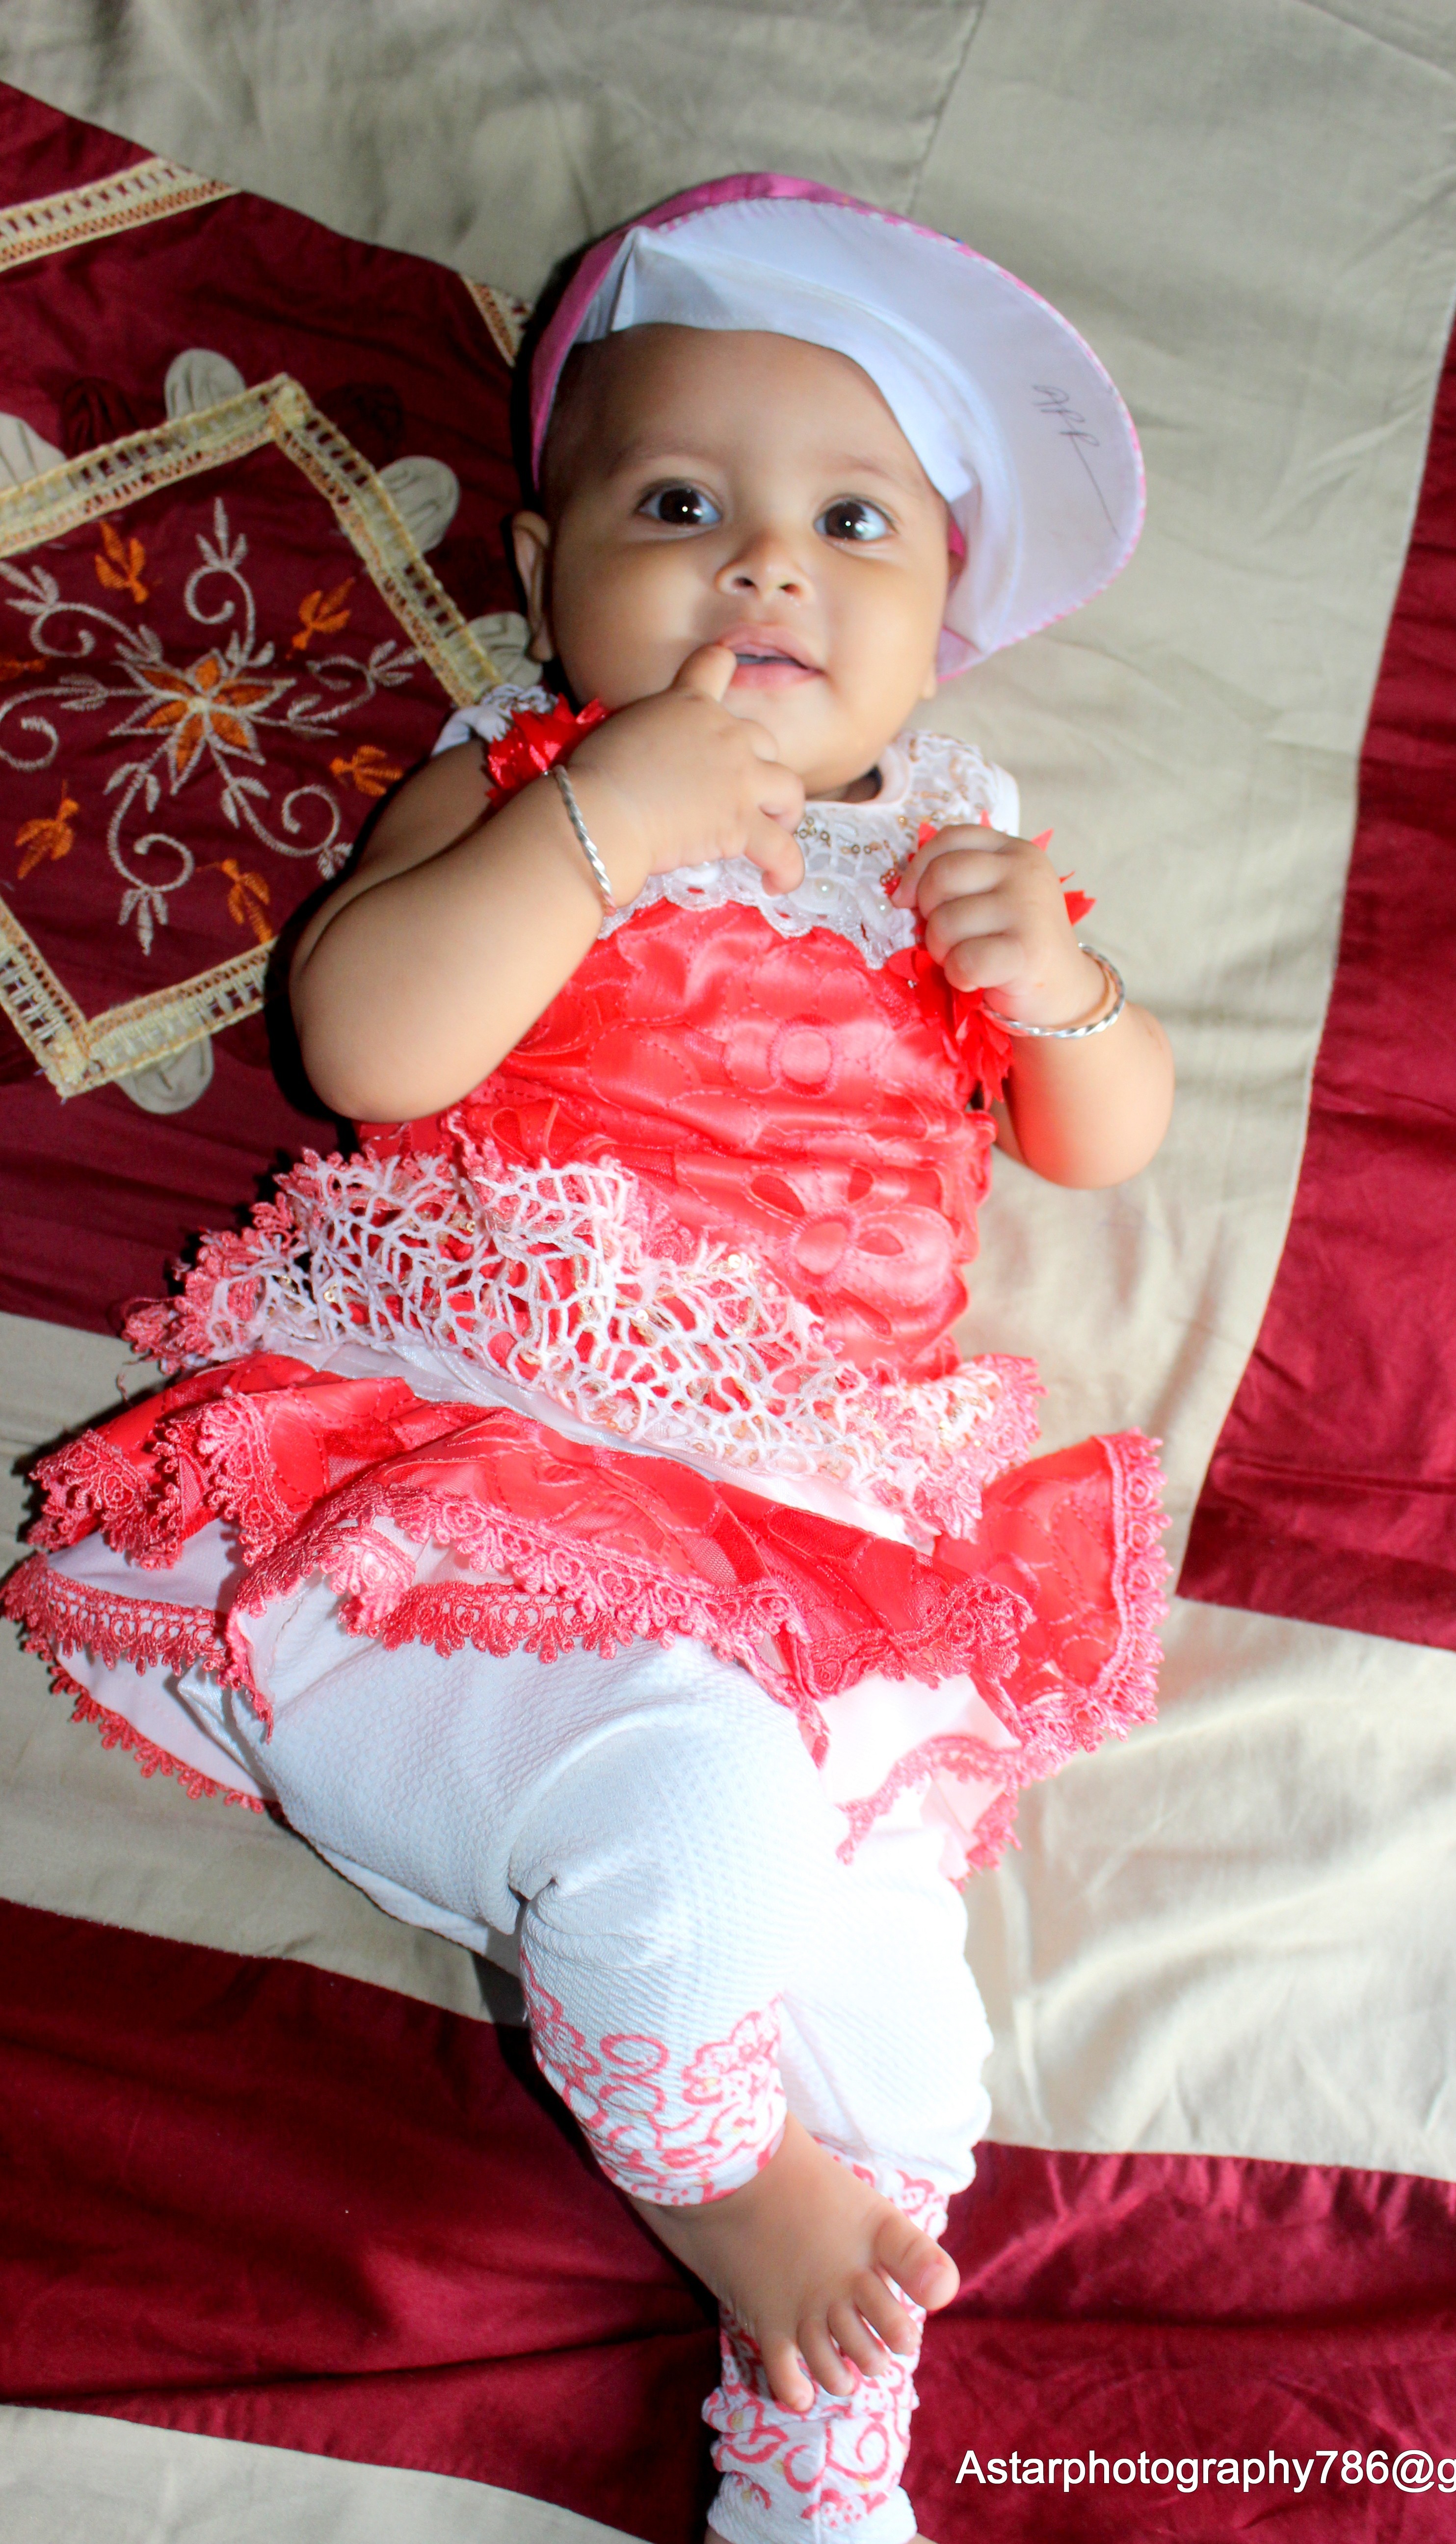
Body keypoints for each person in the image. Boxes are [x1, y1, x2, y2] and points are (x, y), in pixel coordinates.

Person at [5, 176, 1172, 2544]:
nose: (765, 572)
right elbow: (366, 1043)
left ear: (939, 624)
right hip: (454, 1518)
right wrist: (601, 832)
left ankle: (817, 2468)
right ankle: (720, 2184)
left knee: (910, 2044)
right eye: (678, 509)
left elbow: (1102, 1135)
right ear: (544, 578)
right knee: (692, 1810)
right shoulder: (527, 770)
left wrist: (1060, 988)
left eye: (852, 525)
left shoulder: (957, 856)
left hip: (816, 1568)